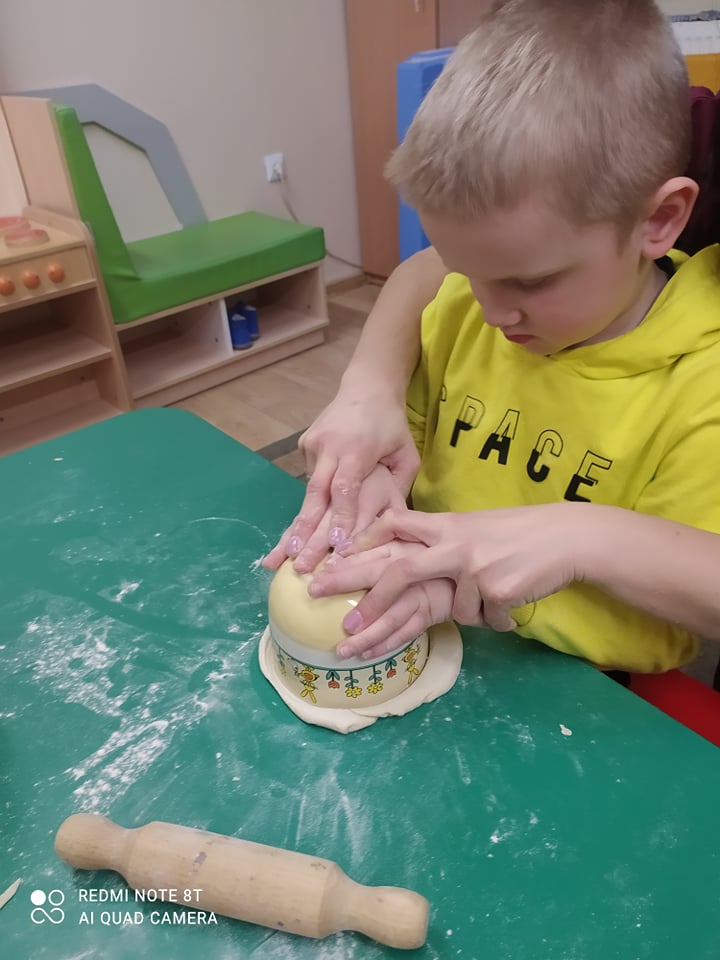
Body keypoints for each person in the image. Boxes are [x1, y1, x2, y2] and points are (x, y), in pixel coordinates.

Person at [266, 0, 720, 673]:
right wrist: (377, 482)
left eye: (529, 282)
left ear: (660, 220)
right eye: (465, 272)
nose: (491, 311)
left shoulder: (700, 388)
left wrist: (519, 568)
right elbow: (423, 327)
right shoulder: (465, 309)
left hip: (579, 688)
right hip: (432, 631)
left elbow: (666, 628)